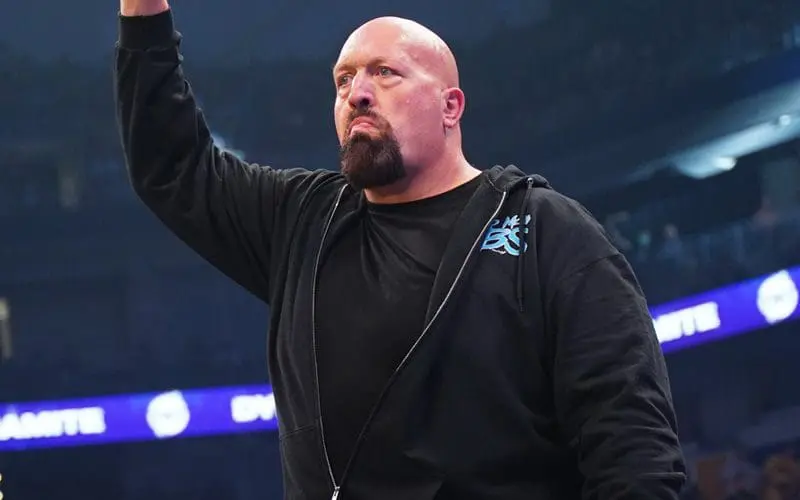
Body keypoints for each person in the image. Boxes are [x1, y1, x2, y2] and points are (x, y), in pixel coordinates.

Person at [115, 2, 686, 499]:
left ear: (450, 107)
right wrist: (144, 12)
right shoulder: (301, 221)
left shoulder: (545, 229)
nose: (357, 93)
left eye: (385, 73)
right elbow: (173, 166)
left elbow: (631, 442)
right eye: (343, 80)